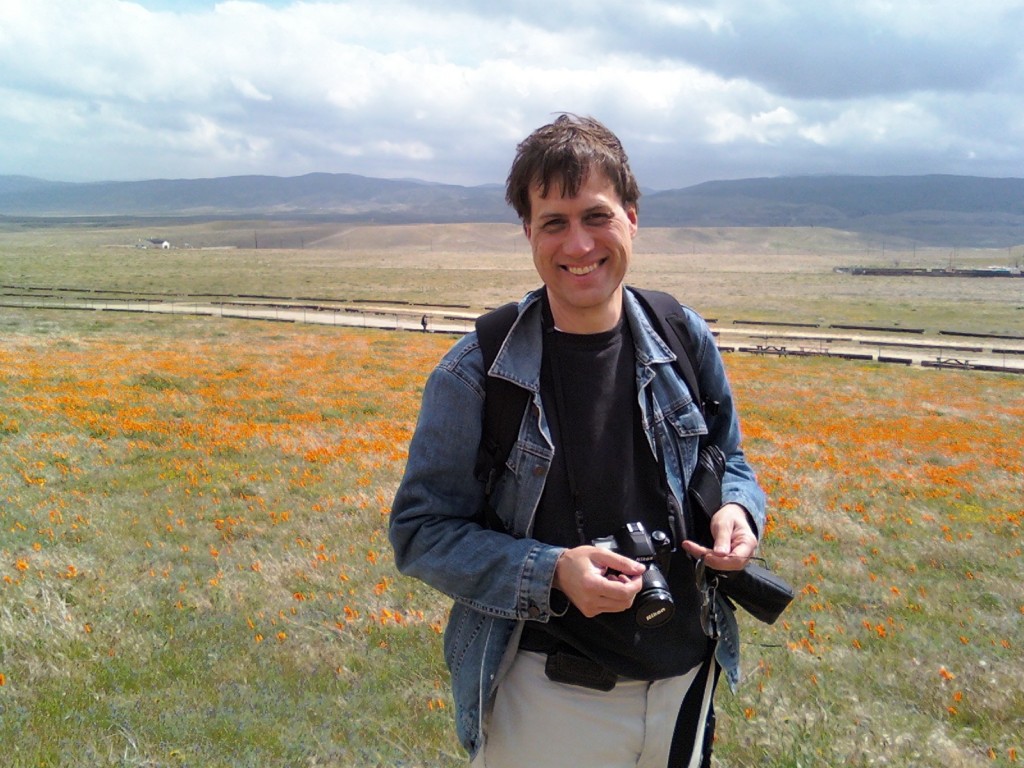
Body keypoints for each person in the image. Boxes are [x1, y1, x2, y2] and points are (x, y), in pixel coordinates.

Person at [389, 114, 766, 767]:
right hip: (547, 703)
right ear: (528, 234)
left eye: (596, 216)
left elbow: (730, 460)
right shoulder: (476, 372)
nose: (579, 243)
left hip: (686, 683)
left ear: (632, 217)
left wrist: (739, 510)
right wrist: (552, 572)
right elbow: (420, 533)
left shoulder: (682, 336)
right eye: (554, 222)